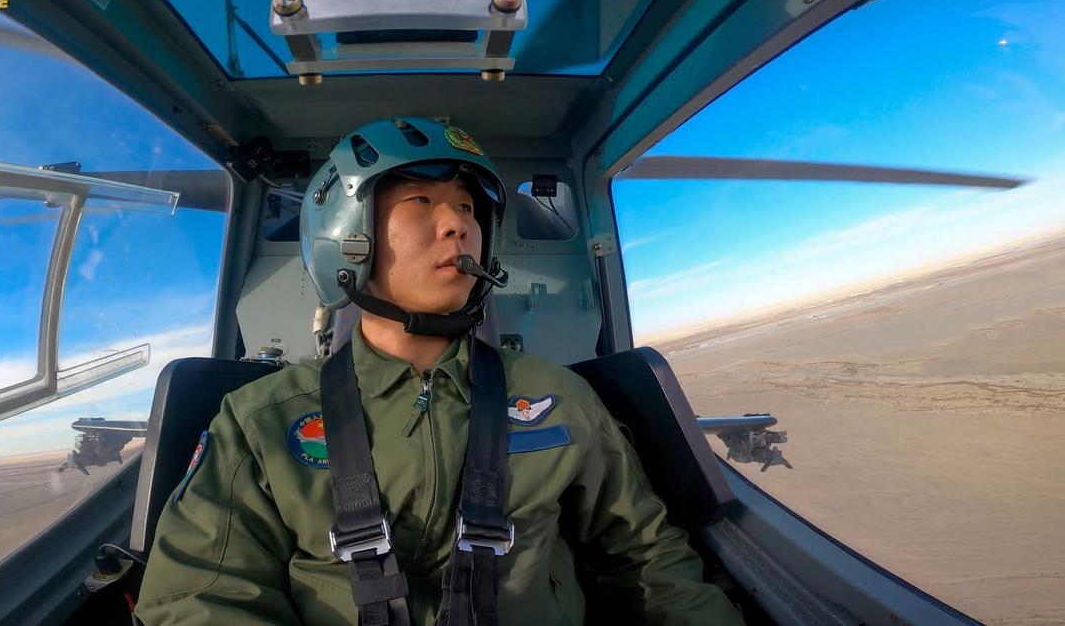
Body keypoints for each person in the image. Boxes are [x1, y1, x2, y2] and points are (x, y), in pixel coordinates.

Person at [135, 118, 743, 625]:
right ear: (346, 236)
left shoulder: (558, 396)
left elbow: (648, 560)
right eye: (421, 202)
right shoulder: (259, 420)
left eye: (467, 208)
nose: (459, 225)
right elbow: (200, 596)